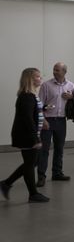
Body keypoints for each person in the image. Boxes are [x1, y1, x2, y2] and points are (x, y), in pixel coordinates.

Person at [1, 68, 50, 203]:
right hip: (27, 136)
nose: (41, 79)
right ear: (30, 79)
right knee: (30, 164)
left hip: (30, 135)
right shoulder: (26, 96)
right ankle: (33, 194)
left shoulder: (30, 95)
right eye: (38, 77)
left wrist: (43, 109)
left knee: (32, 163)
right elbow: (27, 118)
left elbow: (32, 111)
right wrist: (35, 138)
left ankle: (6, 184)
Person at [37, 62, 74, 186]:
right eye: (54, 69)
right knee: (44, 150)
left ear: (64, 72)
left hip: (61, 121)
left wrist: (72, 97)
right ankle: (41, 176)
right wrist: (43, 120)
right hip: (48, 120)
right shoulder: (46, 85)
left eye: (57, 70)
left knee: (59, 148)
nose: (54, 71)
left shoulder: (71, 86)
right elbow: (40, 105)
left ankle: (57, 173)